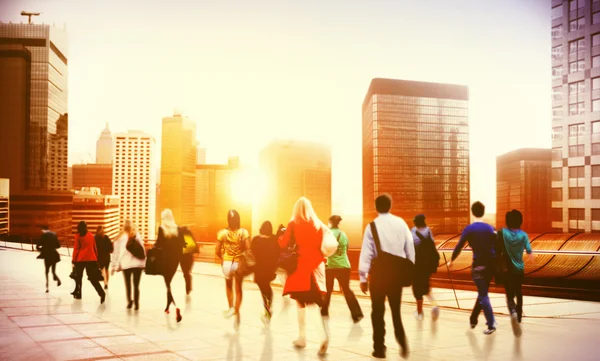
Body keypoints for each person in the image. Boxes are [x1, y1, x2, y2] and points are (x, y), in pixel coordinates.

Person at [359, 194, 414, 359]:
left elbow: (366, 254)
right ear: (390, 206)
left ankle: (379, 348)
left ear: (376, 207)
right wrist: (408, 267)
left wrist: (363, 277)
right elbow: (410, 247)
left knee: (377, 311)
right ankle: (402, 341)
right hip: (396, 273)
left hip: (379, 273)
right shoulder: (401, 223)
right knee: (395, 310)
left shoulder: (372, 227)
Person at [278, 197, 330, 356]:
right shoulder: (319, 224)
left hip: (301, 268)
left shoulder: (293, 223)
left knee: (301, 303)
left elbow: (283, 243)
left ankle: (302, 337)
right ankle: (323, 335)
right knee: (315, 303)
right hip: (316, 268)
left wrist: (281, 235)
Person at [448, 201, 497, 334]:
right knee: (483, 293)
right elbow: (498, 244)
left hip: (478, 266)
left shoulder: (469, 229)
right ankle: (473, 318)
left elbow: (459, 246)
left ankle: (491, 324)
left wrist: (451, 260)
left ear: (472, 212)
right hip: (491, 265)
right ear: (483, 211)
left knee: (483, 295)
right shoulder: (491, 228)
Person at [496, 209, 533, 337]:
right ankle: (519, 317)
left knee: (509, 294)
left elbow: (496, 249)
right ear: (520, 221)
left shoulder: (501, 233)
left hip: (506, 269)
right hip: (519, 269)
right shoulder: (523, 235)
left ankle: (513, 312)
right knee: (519, 291)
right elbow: (529, 251)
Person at [321, 215, 363, 323]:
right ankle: (356, 313)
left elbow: (323, 249)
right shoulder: (343, 234)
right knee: (346, 289)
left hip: (330, 265)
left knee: (328, 290)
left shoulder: (327, 234)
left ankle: (324, 311)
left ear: (330, 222)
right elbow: (346, 248)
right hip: (344, 265)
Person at [216, 209, 250, 331]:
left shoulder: (222, 233)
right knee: (238, 288)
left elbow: (217, 250)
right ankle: (237, 311)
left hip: (226, 262)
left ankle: (230, 307)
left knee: (229, 286)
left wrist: (223, 258)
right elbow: (248, 249)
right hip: (238, 262)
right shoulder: (243, 232)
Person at [155, 209, 185, 322]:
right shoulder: (177, 228)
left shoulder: (162, 228)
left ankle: (175, 305)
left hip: (165, 259)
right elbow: (182, 243)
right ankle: (168, 306)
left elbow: (159, 243)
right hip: (175, 259)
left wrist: (154, 248)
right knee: (169, 283)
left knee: (167, 283)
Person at [411, 214, 440, 321]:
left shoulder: (413, 232)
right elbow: (432, 247)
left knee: (417, 291)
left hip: (417, 266)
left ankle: (419, 313)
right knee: (426, 289)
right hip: (427, 267)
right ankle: (434, 305)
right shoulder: (428, 231)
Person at [251, 221, 280, 326]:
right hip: (270, 268)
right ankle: (268, 308)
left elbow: (252, 252)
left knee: (263, 288)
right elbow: (278, 252)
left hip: (259, 268)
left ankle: (267, 309)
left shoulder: (256, 240)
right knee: (266, 286)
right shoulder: (275, 239)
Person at [111, 220, 145, 310]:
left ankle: (129, 302)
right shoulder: (137, 234)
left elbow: (116, 252)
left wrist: (114, 266)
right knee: (136, 285)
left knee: (128, 284)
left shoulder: (120, 237)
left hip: (126, 264)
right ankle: (136, 304)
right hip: (138, 264)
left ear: (123, 227)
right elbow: (142, 249)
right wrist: (144, 262)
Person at [72, 221, 106, 303]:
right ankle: (101, 293)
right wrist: (95, 258)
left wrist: (73, 260)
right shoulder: (91, 236)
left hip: (80, 259)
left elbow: (76, 249)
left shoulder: (78, 236)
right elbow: (94, 248)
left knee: (78, 277)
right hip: (91, 259)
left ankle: (79, 294)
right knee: (92, 278)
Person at [37, 225, 61, 293]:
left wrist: (41, 249)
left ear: (43, 229)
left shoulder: (44, 235)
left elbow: (38, 245)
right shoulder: (54, 234)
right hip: (54, 255)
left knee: (46, 271)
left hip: (47, 256)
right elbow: (58, 245)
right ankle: (57, 280)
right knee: (53, 271)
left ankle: (47, 287)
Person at [95, 226, 113, 290]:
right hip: (106, 256)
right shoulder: (106, 238)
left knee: (102, 269)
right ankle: (106, 283)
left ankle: (103, 281)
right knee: (106, 270)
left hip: (99, 256)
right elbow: (111, 248)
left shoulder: (95, 238)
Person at [179, 226, 197, 295]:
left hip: (183, 258)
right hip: (190, 258)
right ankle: (189, 286)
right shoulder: (190, 236)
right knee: (188, 272)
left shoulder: (180, 238)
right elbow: (195, 247)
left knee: (185, 273)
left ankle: (188, 288)